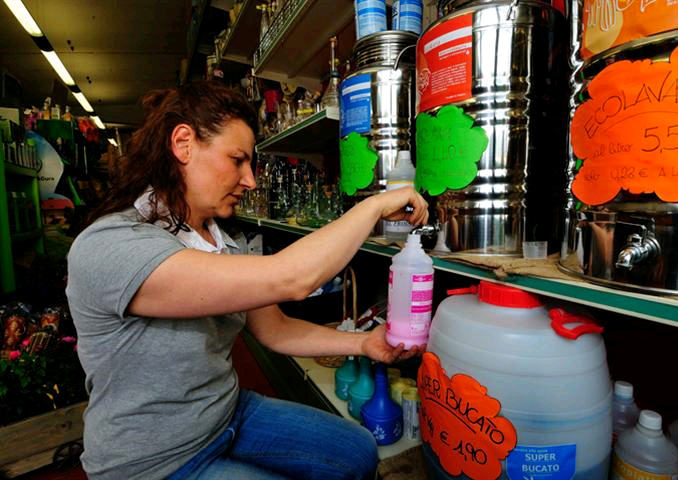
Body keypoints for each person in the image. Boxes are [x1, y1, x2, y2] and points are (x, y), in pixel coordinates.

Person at [65, 80, 429, 480]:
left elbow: (275, 329)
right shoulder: (113, 245)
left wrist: (363, 344)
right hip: (155, 458)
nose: (250, 180)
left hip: (225, 412)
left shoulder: (220, 242)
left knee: (358, 451)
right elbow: (293, 279)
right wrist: (374, 205)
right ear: (183, 143)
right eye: (237, 160)